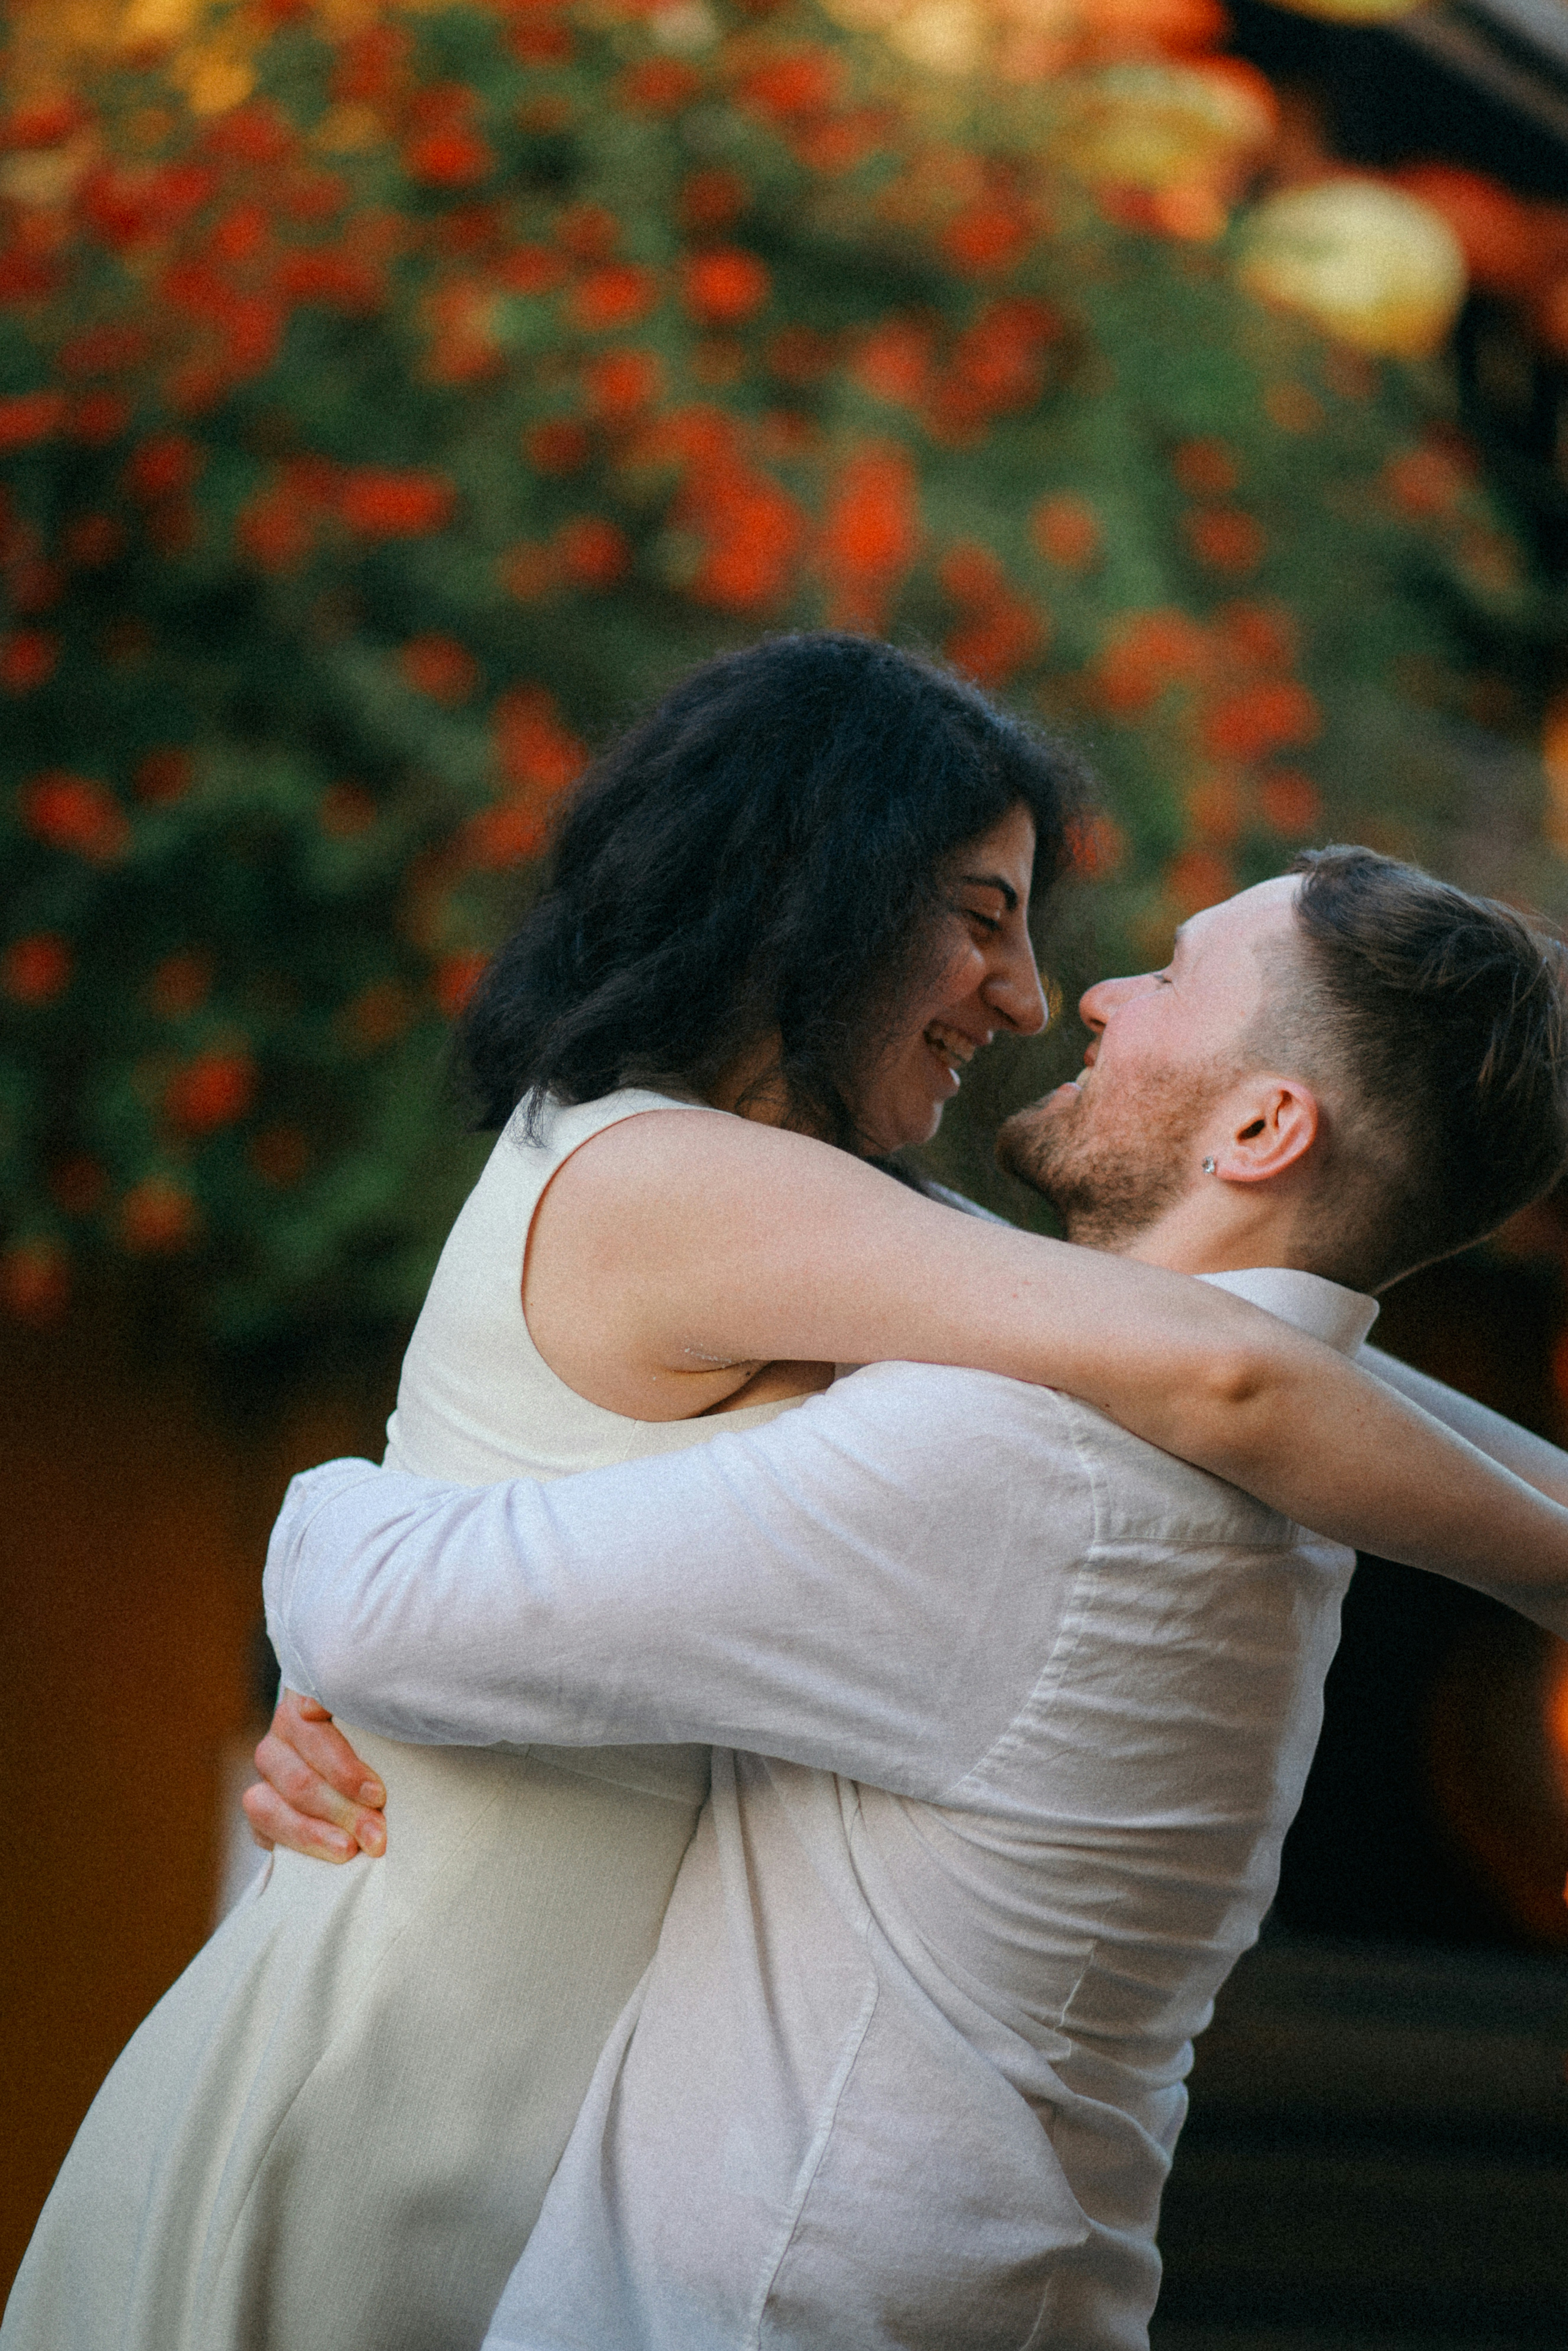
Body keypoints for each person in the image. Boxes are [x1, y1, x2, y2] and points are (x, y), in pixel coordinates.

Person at [5, 628, 1561, 2351]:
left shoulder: (850, 1233)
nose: (1037, 994)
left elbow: (1241, 1349)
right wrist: (332, 1577)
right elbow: (1227, 1364)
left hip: (586, 2098)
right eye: (984, 915)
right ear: (821, 886)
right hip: (430, 2046)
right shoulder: (681, 1178)